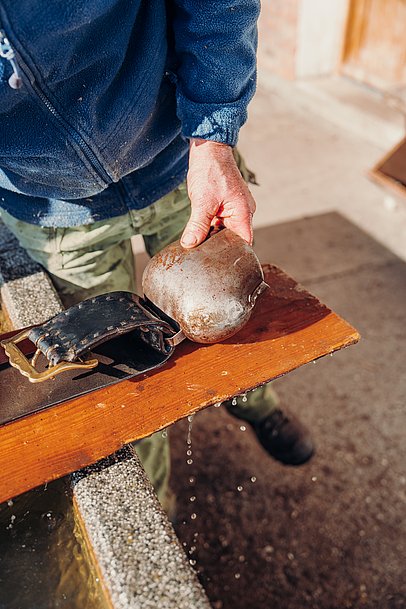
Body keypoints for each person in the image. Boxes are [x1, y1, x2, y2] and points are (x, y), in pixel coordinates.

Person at [0, 1, 313, 512]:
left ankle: (256, 402)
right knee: (129, 372)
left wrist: (213, 136)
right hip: (51, 205)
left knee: (228, 309)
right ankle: (158, 504)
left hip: (179, 157)